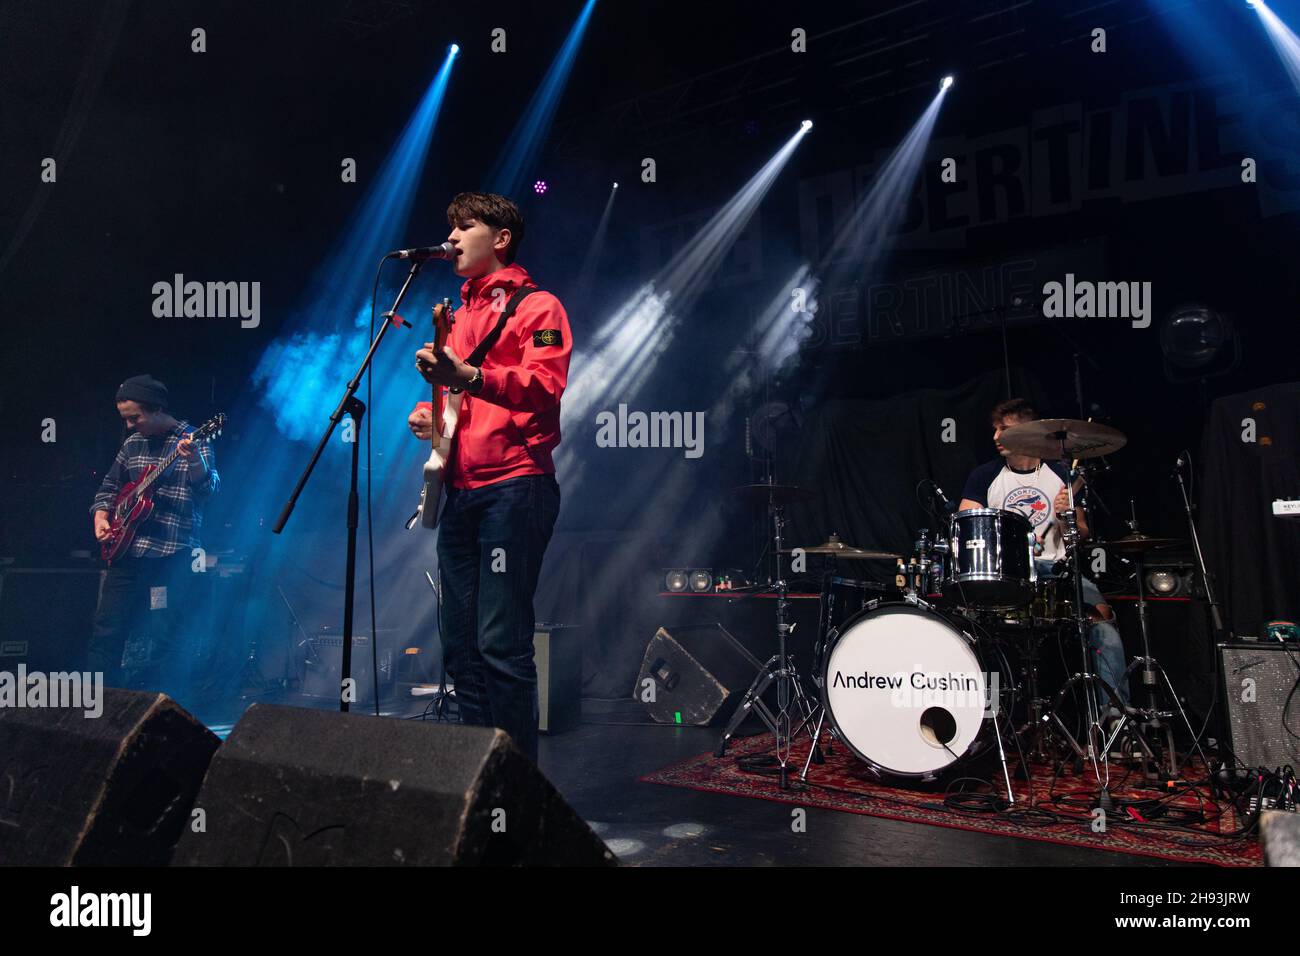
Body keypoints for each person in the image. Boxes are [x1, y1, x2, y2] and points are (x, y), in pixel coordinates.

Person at [407, 191, 572, 762]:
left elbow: (544, 387)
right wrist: (432, 419)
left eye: (464, 227)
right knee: (460, 647)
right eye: (447, 228)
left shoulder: (537, 307)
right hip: (461, 490)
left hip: (515, 485)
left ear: (500, 239)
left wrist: (470, 374)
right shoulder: (454, 313)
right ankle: (478, 775)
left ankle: (517, 784)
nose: (449, 238)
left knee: (501, 643)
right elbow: (459, 401)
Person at [958, 397, 1129, 706]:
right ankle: (984, 717)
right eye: (995, 429)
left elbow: (1081, 535)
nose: (996, 437)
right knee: (970, 627)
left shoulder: (1061, 476)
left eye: (1005, 429)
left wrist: (1067, 516)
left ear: (1029, 432)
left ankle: (1113, 722)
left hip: (1056, 572)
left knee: (1102, 623)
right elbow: (966, 528)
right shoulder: (984, 476)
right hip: (1007, 574)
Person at [88, 374, 219, 691]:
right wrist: (102, 517)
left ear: (157, 409)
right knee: (107, 629)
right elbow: (109, 487)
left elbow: (208, 492)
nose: (130, 425)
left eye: (135, 417)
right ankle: (101, 704)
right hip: (128, 552)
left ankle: (163, 703)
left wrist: (197, 462)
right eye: (126, 419)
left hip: (170, 554)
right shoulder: (132, 444)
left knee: (165, 633)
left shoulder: (194, 439)